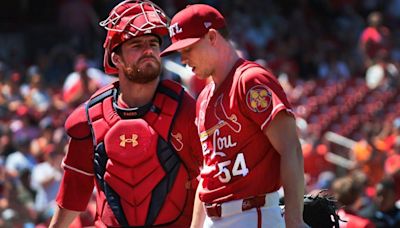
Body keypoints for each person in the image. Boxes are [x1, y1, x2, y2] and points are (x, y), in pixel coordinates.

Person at [49, 1, 202, 227]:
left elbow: (209, 181)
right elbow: (73, 195)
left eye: (153, 43)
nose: (148, 50)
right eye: (137, 45)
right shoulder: (91, 117)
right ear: (116, 58)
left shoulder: (184, 108)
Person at [161, 4, 308, 228]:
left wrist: (294, 221)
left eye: (187, 49)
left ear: (211, 37)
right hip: (214, 217)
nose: (183, 59)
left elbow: (291, 148)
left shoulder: (250, 80)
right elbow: (207, 173)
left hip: (251, 213)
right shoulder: (203, 98)